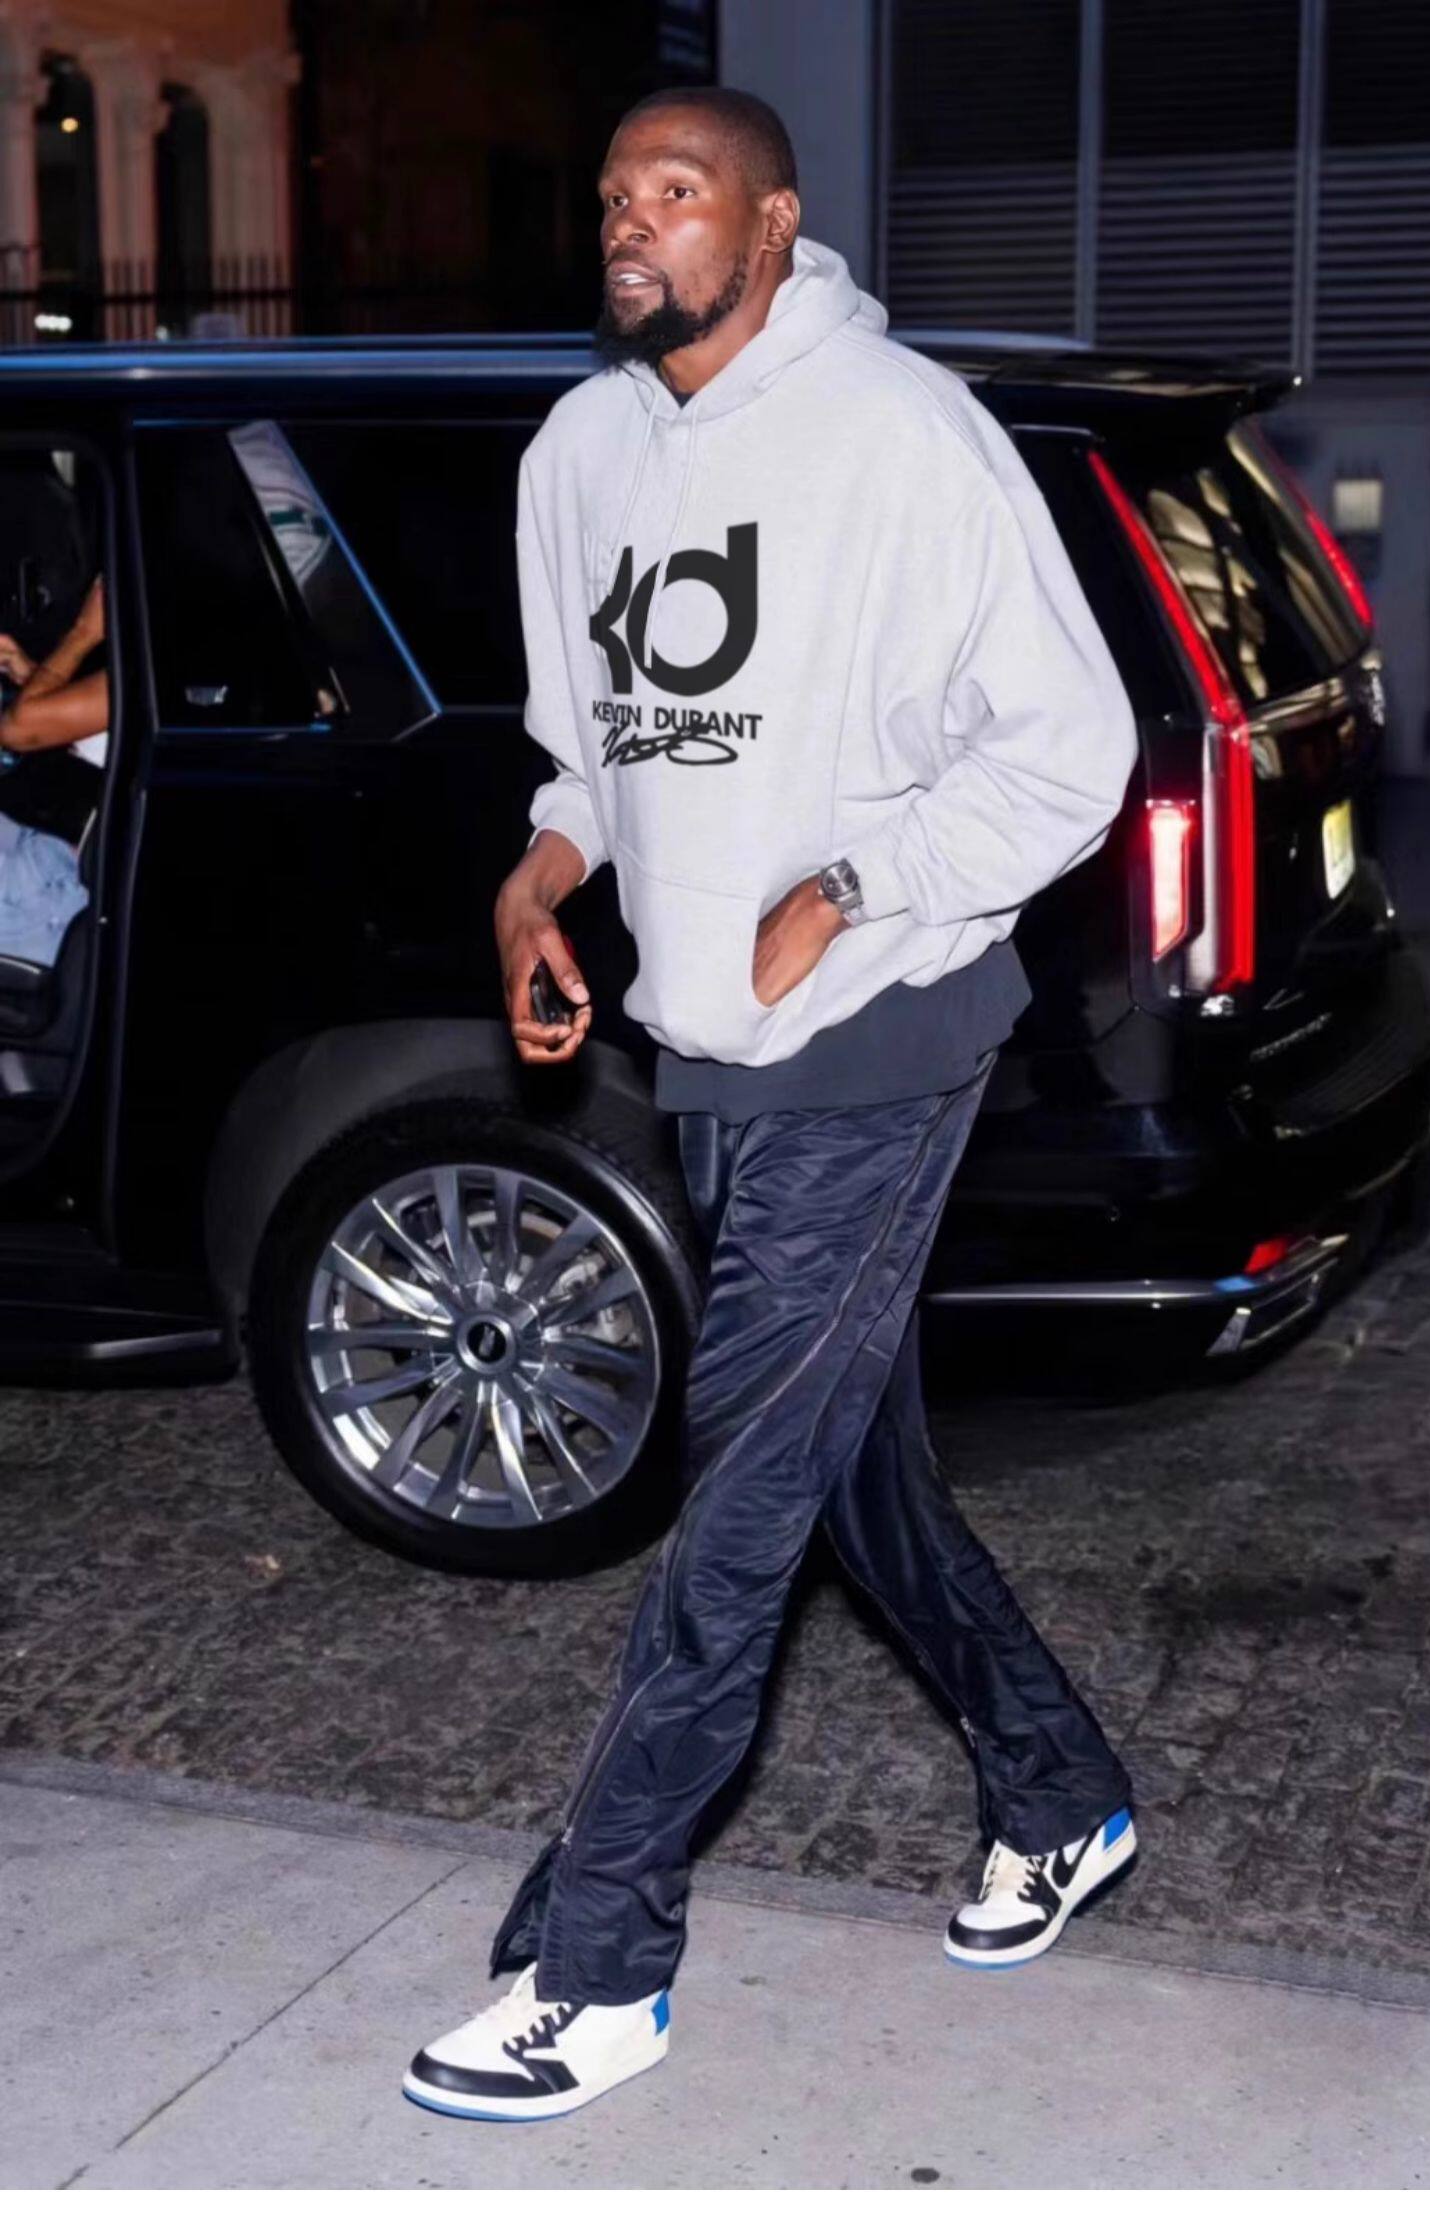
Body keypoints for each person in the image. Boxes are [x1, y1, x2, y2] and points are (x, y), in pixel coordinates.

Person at [404, 86, 1141, 2125]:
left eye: (680, 191)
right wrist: (537, 882)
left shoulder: (904, 434)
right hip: (705, 1042)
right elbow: (593, 752)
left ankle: (601, 1963)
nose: (634, 224)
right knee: (846, 1469)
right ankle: (1062, 1790)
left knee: (734, 1500)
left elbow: (1069, 751)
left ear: (774, 220)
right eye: (615, 194)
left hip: (886, 1033)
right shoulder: (581, 452)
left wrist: (852, 886)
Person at [0, 572, 107, 967]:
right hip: (45, 845)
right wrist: (30, 673)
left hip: (49, 886)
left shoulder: (149, 669)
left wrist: (84, 632)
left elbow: (19, 729)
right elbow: (72, 732)